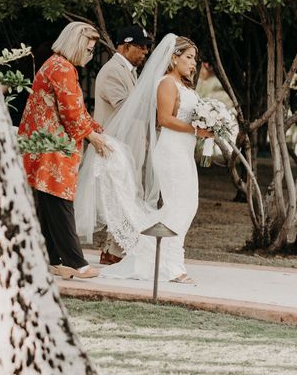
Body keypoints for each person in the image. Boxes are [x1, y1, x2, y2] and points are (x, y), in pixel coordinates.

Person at [75, 34, 213, 283]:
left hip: (184, 150)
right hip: (171, 152)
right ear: (174, 57)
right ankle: (174, 266)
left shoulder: (183, 86)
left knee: (187, 206)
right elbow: (164, 119)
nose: (194, 63)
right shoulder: (166, 83)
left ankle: (151, 255)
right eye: (189, 58)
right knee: (178, 206)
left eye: (195, 58)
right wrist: (195, 129)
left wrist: (209, 123)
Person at [19, 21, 111, 280]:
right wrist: (92, 136)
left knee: (49, 204)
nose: (90, 56)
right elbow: (71, 113)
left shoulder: (55, 65)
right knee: (60, 203)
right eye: (89, 50)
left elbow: (74, 109)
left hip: (45, 145)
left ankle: (53, 259)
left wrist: (94, 127)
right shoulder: (63, 68)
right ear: (77, 45)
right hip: (52, 148)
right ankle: (75, 262)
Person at [93, 25, 151, 265]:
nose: (146, 52)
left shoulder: (130, 71)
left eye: (147, 48)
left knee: (126, 196)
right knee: (122, 196)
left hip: (129, 146)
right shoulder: (112, 71)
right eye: (142, 47)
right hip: (115, 146)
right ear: (126, 46)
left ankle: (112, 250)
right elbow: (127, 109)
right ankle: (115, 251)